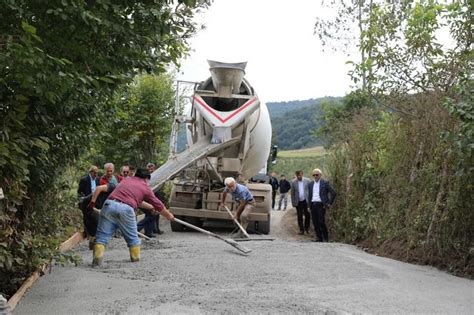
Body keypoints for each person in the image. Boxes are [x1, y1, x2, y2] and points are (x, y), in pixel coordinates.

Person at [92, 168, 174, 266]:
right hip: (126, 209)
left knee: (101, 237)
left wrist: (151, 207)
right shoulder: (145, 187)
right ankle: (135, 260)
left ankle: (97, 261)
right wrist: (169, 215)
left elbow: (135, 199)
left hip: (109, 205)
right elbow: (159, 205)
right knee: (132, 238)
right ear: (146, 179)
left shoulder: (126, 180)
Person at [308, 168, 336, 242]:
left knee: (321, 221)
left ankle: (325, 238)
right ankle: (319, 237)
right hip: (313, 204)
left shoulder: (325, 183)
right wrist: (309, 205)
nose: (315, 176)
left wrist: (329, 203)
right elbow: (309, 195)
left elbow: (333, 193)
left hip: (321, 204)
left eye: (317, 175)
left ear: (320, 175)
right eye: (314, 175)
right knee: (315, 222)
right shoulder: (310, 184)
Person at [290, 170, 311, 235]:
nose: (299, 177)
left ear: (302, 174)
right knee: (299, 215)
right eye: (297, 175)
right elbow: (292, 193)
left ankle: (307, 229)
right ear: (296, 176)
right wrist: (293, 202)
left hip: (306, 201)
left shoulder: (308, 181)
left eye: (300, 175)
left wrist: (310, 200)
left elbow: (310, 190)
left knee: (307, 215)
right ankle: (301, 230)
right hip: (298, 201)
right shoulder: (293, 182)